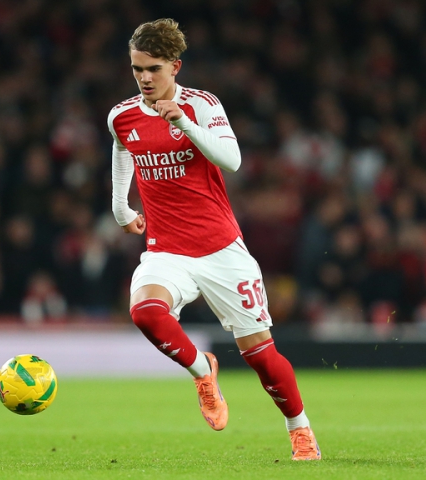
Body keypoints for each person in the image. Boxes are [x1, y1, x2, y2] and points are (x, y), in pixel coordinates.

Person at [107, 18, 321, 461]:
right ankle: (203, 370)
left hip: (221, 249)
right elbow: (123, 146)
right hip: (166, 250)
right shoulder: (121, 115)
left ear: (175, 67)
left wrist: (184, 123)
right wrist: (121, 207)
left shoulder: (202, 105)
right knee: (145, 313)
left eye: (154, 69)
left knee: (261, 357)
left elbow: (233, 160)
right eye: (137, 69)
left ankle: (299, 428)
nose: (145, 78)